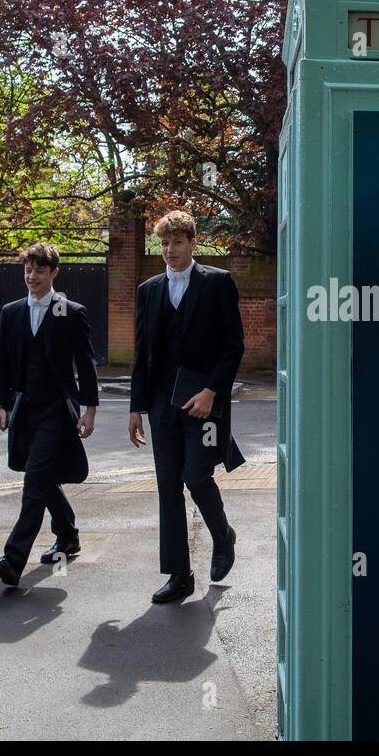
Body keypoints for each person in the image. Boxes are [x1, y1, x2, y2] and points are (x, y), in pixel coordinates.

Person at [129, 210, 245, 605]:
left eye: (176, 242)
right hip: (162, 402)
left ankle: (223, 534)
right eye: (163, 243)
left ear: (193, 243)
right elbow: (143, 354)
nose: (168, 250)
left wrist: (212, 391)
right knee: (167, 487)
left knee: (196, 477)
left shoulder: (217, 283)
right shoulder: (149, 290)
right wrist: (135, 408)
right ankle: (180, 575)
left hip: (202, 402)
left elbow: (234, 347)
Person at [0, 242, 99, 587]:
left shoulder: (70, 311)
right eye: (27, 270)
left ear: (54, 272)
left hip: (56, 410)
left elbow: (85, 364)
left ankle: (13, 558)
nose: (31, 276)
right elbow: (3, 361)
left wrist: (90, 409)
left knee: (34, 479)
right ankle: (68, 535)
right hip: (24, 409)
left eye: (38, 270)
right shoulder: (12, 311)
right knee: (42, 476)